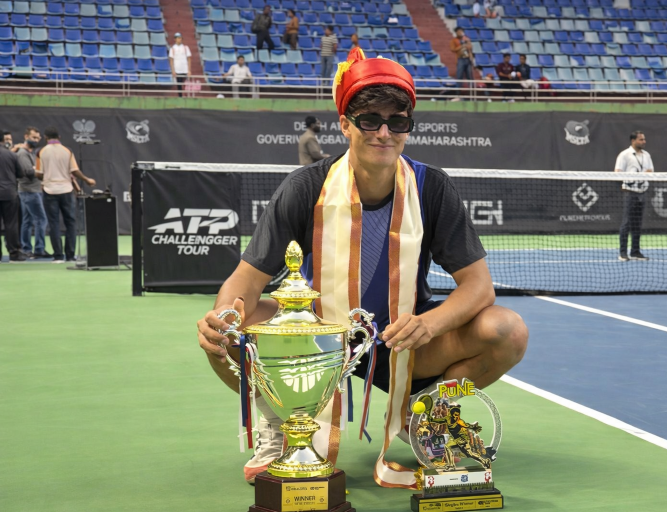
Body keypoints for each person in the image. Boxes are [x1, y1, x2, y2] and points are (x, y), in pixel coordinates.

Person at [196, 48, 528, 486]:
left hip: (404, 339)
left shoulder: (432, 188)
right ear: (345, 124)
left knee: (507, 330)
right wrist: (226, 317)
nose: (384, 132)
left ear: (409, 127)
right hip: (319, 342)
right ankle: (282, 424)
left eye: (398, 121)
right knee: (226, 335)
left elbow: (479, 288)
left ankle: (422, 413)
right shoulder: (306, 187)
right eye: (369, 119)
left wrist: (428, 324)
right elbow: (246, 280)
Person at [35, 126, 96, 263]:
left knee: (54, 224)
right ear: (59, 137)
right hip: (67, 191)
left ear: (45, 138)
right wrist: (86, 179)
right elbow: (74, 171)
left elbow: (39, 174)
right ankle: (70, 256)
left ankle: (58, 256)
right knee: (70, 223)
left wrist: (43, 175)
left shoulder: (41, 152)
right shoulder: (67, 151)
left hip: (49, 190)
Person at [614, 131, 654, 262]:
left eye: (644, 139)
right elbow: (617, 173)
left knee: (637, 224)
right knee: (626, 223)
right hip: (630, 193)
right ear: (633, 141)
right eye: (641, 140)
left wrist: (643, 174)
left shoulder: (646, 155)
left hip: (642, 193)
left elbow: (650, 171)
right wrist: (629, 181)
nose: (644, 142)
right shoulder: (624, 155)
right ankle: (623, 253)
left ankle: (635, 252)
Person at [17, 127, 50, 259]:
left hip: (32, 190)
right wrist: (39, 169)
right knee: (41, 219)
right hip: (29, 191)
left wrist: (35, 169)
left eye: (37, 138)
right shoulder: (22, 153)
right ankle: (39, 249)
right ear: (26, 136)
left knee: (27, 220)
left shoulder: (32, 153)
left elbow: (33, 170)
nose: (36, 140)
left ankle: (26, 249)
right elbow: (29, 173)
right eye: (33, 137)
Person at [0, 136, 33, 262]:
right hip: (9, 193)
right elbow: (21, 174)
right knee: (11, 224)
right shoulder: (12, 155)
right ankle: (14, 253)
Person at [168, 33, 192, 98]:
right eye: (178, 38)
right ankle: (180, 97)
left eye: (180, 38)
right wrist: (173, 70)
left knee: (186, 84)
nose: (179, 39)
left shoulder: (185, 48)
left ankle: (187, 96)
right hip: (177, 70)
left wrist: (189, 70)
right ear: (175, 39)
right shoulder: (172, 49)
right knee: (179, 84)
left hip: (185, 69)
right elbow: (171, 60)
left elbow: (189, 59)